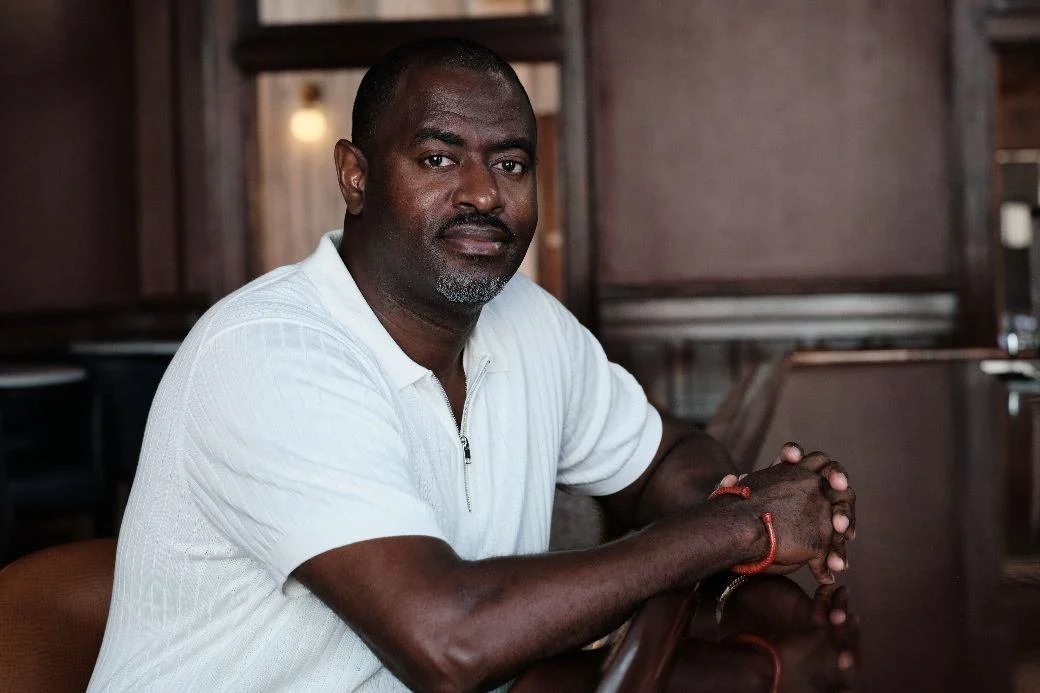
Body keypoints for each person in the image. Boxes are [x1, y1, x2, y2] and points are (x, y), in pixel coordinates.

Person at [88, 38, 856, 692]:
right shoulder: (269, 354)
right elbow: (450, 640)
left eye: (512, 164)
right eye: (438, 158)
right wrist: (739, 526)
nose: (484, 193)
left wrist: (737, 503)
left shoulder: (529, 323)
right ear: (356, 176)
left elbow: (664, 458)